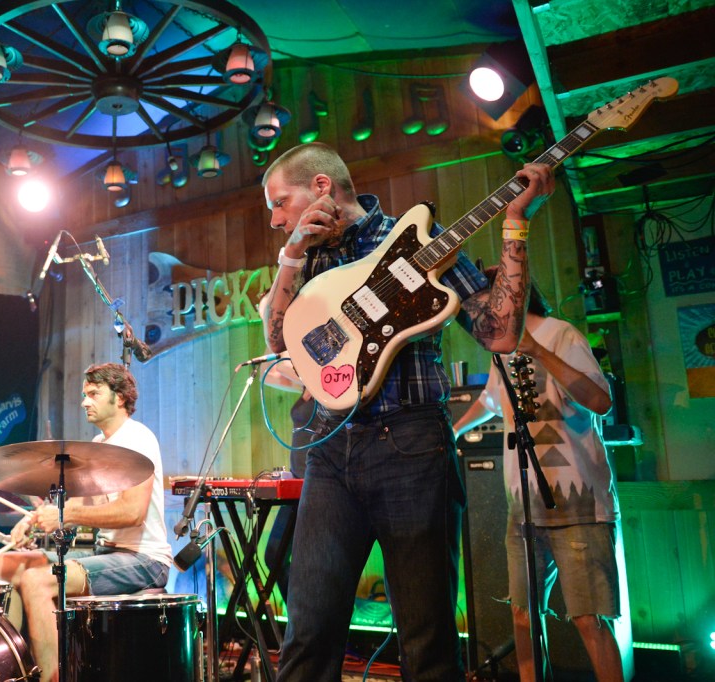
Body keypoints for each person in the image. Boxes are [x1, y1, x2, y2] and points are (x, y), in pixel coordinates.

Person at [260, 142, 554, 681]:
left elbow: (499, 332)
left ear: (322, 187)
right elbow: (280, 341)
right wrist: (291, 257)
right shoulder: (308, 257)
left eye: (281, 203)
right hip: (329, 449)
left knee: (427, 639)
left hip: (411, 445)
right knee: (308, 632)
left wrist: (515, 223)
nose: (277, 219)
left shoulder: (419, 239)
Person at [452, 271, 622, 682]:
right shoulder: (500, 352)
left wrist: (539, 352)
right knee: (522, 613)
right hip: (522, 505)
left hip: (577, 503)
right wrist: (450, 430)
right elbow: (493, 399)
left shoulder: (562, 335)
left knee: (588, 619)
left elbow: (600, 400)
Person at [0, 362, 172, 682]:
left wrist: (64, 515)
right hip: (107, 552)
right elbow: (79, 504)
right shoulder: (99, 446)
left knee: (38, 580)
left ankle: (53, 677)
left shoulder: (137, 439)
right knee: (8, 565)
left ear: (119, 397)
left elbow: (133, 512)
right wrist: (33, 522)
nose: (85, 401)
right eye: (84, 395)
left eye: (94, 394)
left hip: (143, 558)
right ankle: (16, 670)